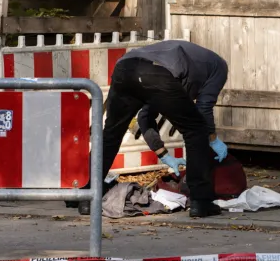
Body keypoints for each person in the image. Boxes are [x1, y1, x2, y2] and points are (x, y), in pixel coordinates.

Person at [75, 40, 229, 218]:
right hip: (155, 71)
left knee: (111, 134)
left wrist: (162, 154)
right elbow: (204, 108)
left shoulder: (185, 68)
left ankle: (87, 197)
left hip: (124, 68)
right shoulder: (219, 68)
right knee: (196, 130)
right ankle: (201, 202)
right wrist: (213, 139)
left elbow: (145, 116)